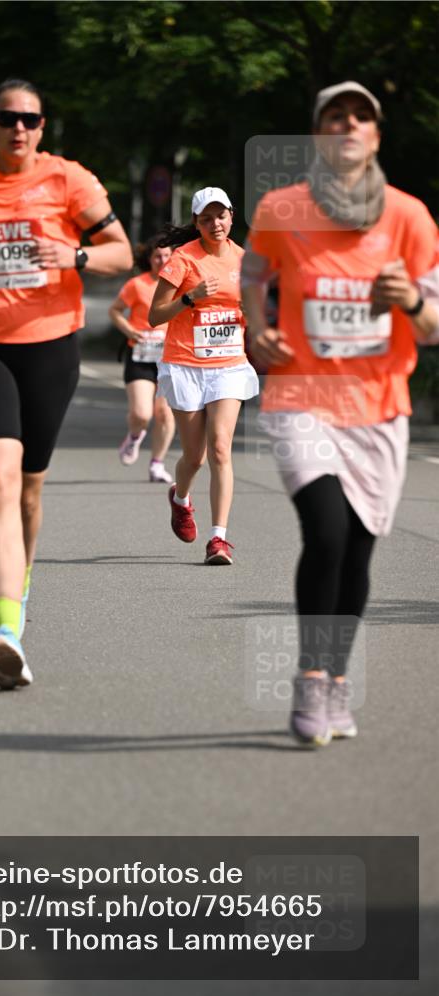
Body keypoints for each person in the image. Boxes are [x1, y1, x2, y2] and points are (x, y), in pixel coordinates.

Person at [241, 81, 439, 747]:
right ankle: (308, 676)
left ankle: (336, 679)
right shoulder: (281, 207)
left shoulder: (409, 217)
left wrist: (411, 301)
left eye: (360, 117)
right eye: (334, 116)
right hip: (300, 398)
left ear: (375, 136)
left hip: (378, 408)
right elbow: (252, 275)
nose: (348, 125)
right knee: (325, 533)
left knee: (356, 550)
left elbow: (435, 326)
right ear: (318, 133)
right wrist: (255, 329)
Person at [0, 77, 132, 689]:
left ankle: (17, 591)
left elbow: (122, 252)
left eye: (30, 119)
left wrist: (75, 257)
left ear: (42, 127)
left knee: (28, 492)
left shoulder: (70, 180)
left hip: (49, 347)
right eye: (7, 117)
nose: (18, 128)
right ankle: (5, 631)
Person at [149, 187, 259, 565]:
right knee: (194, 457)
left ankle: (218, 539)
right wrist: (189, 298)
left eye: (221, 216)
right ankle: (180, 498)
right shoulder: (183, 259)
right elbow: (155, 315)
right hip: (186, 364)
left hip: (228, 365)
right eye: (206, 218)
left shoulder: (246, 261)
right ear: (196, 222)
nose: (215, 224)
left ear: (232, 216)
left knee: (220, 448)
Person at [109, 237, 176, 482]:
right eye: (157, 256)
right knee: (142, 413)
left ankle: (157, 464)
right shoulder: (137, 284)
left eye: (167, 255)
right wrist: (129, 331)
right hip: (141, 355)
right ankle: (135, 436)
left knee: (165, 414)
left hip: (170, 357)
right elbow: (115, 310)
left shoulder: (181, 285)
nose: (162, 260)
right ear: (149, 259)